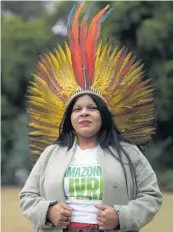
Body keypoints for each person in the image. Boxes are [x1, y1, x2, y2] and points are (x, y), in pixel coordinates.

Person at [20, 3, 163, 232]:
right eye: (77, 110)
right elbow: (27, 196)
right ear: (69, 119)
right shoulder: (51, 154)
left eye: (92, 108)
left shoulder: (128, 152)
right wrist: (48, 211)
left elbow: (151, 196)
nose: (84, 113)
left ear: (104, 116)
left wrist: (121, 217)